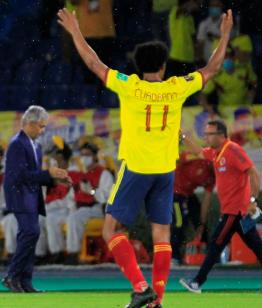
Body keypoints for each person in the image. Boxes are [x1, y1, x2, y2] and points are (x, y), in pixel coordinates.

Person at [58, 6, 233, 308]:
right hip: (166, 170)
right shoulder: (176, 88)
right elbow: (212, 68)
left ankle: (140, 287)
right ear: (163, 68)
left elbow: (92, 61)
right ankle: (157, 300)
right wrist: (226, 34)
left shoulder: (130, 87)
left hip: (137, 168)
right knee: (161, 234)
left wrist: (75, 30)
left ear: (138, 68)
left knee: (111, 229)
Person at [180, 120, 262, 293]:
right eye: (206, 134)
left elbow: (253, 172)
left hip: (235, 211)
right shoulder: (217, 152)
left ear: (221, 135)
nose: (206, 137)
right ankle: (197, 282)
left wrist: (253, 201)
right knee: (257, 246)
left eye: (210, 134)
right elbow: (199, 152)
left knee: (215, 244)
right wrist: (182, 137)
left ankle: (197, 282)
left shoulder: (232, 149)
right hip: (238, 213)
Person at [1, 105, 70, 293]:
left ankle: (25, 281)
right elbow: (21, 175)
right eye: (41, 126)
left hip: (31, 196)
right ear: (30, 124)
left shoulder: (36, 147)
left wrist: (54, 178)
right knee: (30, 233)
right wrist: (48, 173)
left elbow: (35, 175)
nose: (43, 130)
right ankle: (12, 275)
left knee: (31, 235)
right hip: (19, 196)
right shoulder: (17, 144)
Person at [65, 142, 113, 264]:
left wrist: (91, 191)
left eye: (88, 155)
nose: (84, 158)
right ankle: (56, 254)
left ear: (95, 156)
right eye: (82, 155)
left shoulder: (104, 173)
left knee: (75, 219)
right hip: (79, 208)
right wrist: (72, 208)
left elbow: (107, 198)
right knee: (65, 216)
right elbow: (71, 196)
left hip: (96, 208)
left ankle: (73, 254)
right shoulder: (80, 174)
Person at [171, 154, 215, 264]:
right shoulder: (198, 159)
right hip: (173, 192)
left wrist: (201, 224)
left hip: (188, 194)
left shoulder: (212, 177)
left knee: (200, 221)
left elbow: (206, 201)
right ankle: (174, 256)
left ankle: (208, 256)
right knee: (179, 222)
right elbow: (175, 160)